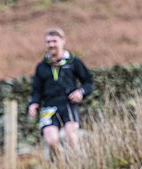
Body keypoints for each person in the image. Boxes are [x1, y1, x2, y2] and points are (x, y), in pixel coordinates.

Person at [28, 27, 93, 161]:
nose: (51, 44)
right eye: (48, 42)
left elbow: (88, 82)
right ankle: (61, 167)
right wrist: (34, 103)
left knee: (71, 137)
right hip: (49, 106)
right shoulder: (41, 66)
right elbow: (36, 90)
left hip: (68, 103)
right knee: (51, 141)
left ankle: (77, 167)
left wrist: (81, 92)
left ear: (63, 41)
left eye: (54, 41)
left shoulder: (74, 62)